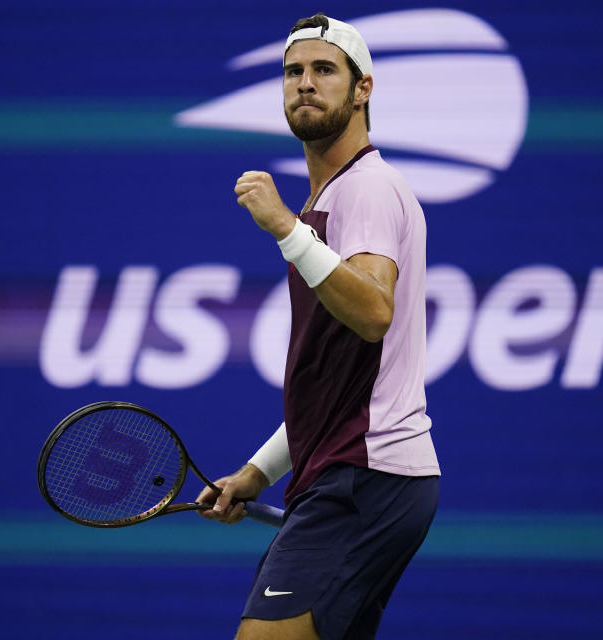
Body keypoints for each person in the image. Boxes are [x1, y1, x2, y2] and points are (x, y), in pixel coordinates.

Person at [196, 13, 440, 640]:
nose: (305, 83)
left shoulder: (366, 188)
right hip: (361, 476)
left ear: (363, 90)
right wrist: (255, 474)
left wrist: (285, 229)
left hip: (364, 478)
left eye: (324, 70)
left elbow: (373, 313)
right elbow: (335, 387)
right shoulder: (330, 202)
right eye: (293, 72)